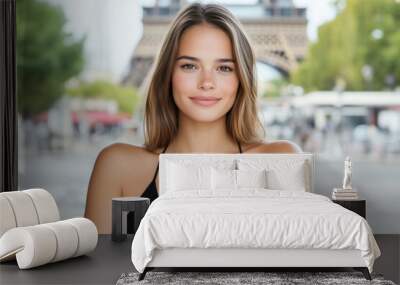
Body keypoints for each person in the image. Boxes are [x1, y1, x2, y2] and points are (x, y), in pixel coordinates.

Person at [84, 3, 302, 234]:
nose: (206, 82)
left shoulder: (280, 160)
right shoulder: (117, 165)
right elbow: (101, 269)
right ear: (168, 74)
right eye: (190, 66)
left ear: (242, 79)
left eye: (224, 68)